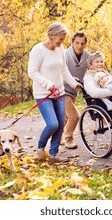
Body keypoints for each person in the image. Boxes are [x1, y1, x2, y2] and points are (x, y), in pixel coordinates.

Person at [28, 22, 82, 163]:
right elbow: (32, 72)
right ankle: (40, 149)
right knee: (52, 124)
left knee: (60, 124)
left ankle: (53, 154)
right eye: (60, 38)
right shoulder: (38, 50)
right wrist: (48, 84)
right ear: (51, 35)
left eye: (63, 39)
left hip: (59, 93)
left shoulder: (61, 49)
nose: (61, 42)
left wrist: (74, 84)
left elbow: (64, 70)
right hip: (43, 94)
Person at [62, 31, 90, 149]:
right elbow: (58, 73)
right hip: (62, 90)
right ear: (72, 42)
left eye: (82, 43)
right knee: (74, 116)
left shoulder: (87, 56)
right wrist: (70, 79)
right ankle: (68, 139)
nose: (79, 46)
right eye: (77, 43)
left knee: (65, 117)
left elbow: (93, 67)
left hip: (74, 91)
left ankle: (58, 138)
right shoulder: (64, 55)